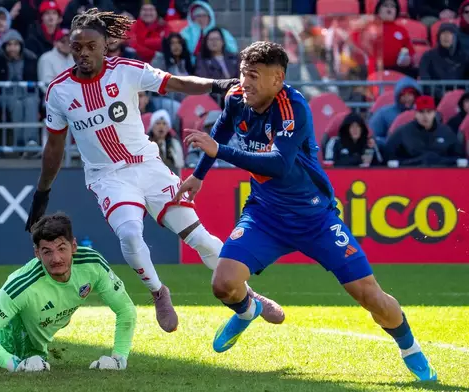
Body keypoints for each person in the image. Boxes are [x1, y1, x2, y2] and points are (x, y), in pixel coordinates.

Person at [176, 41, 437, 382]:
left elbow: (279, 164)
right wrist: (199, 175)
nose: (246, 82)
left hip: (315, 218)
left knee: (369, 296)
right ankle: (248, 310)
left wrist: (220, 151)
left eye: (254, 75)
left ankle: (410, 347)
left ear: (278, 78)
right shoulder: (236, 98)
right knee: (223, 285)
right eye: (242, 74)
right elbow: (220, 132)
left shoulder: (294, 106)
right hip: (265, 215)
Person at [25, 9, 284, 334]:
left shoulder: (127, 71)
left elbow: (174, 82)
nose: (84, 53)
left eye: (91, 46)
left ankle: (247, 297)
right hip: (108, 177)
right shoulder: (60, 91)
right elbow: (54, 148)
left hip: (148, 166)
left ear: (105, 46)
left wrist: (217, 84)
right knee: (131, 234)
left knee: (200, 238)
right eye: (77, 48)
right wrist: (42, 192)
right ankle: (159, 292)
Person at [0, 213, 137, 372]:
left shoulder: (93, 264)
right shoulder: (21, 285)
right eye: (47, 252)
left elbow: (126, 309)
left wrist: (119, 358)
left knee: (38, 319)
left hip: (50, 315)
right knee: (30, 356)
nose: (56, 259)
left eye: (62, 248)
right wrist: (16, 365)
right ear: (36, 253)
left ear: (74, 246)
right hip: (24, 326)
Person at [385, 95, 464, 167]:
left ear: (434, 113)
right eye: (421, 112)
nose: (425, 116)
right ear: (415, 114)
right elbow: (389, 156)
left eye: (429, 112)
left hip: (442, 175)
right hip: (410, 175)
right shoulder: (403, 132)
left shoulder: (446, 132)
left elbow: (459, 156)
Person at [418, 23, 469, 102]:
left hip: (461, 101)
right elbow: (425, 81)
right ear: (438, 37)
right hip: (434, 100)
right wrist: (442, 94)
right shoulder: (428, 56)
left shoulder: (465, 57)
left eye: (450, 33)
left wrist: (459, 96)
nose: (446, 36)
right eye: (443, 33)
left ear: (456, 37)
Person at [368, 76, 421, 144]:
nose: (407, 98)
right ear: (398, 96)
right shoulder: (384, 113)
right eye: (403, 95)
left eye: (410, 95)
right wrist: (388, 143)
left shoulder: (422, 113)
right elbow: (372, 135)